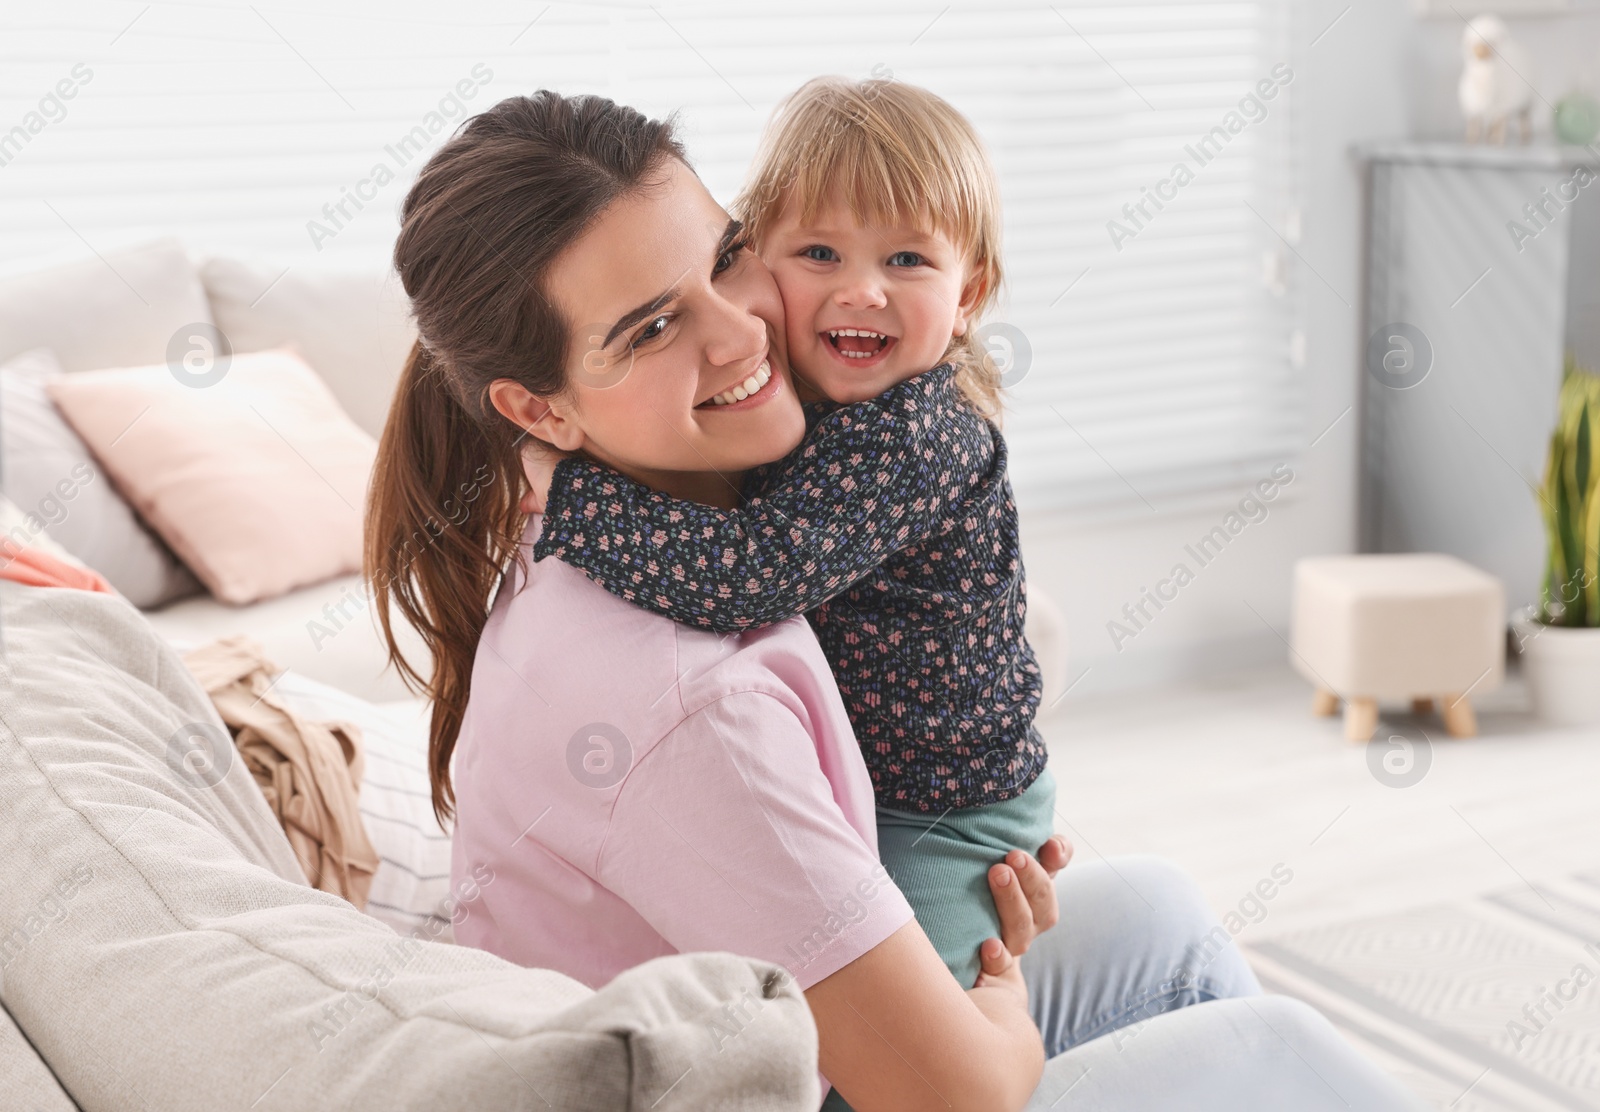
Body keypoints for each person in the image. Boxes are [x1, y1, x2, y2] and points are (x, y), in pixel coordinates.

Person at [366, 89, 1428, 1112]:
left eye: (728, 257)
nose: (738, 332)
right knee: (1269, 1051)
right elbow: (948, 1093)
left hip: (791, 1025)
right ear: (533, 407)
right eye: (649, 328)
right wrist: (999, 1005)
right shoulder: (686, 699)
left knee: (1162, 909)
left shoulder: (595, 517)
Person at [518, 76, 1050, 994]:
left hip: (943, 816)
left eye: (909, 262)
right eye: (818, 252)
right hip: (884, 798)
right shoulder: (801, 402)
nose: (861, 291)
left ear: (972, 294)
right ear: (760, 257)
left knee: (902, 1056)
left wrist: (571, 494)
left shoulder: (911, 434)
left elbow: (751, 573)